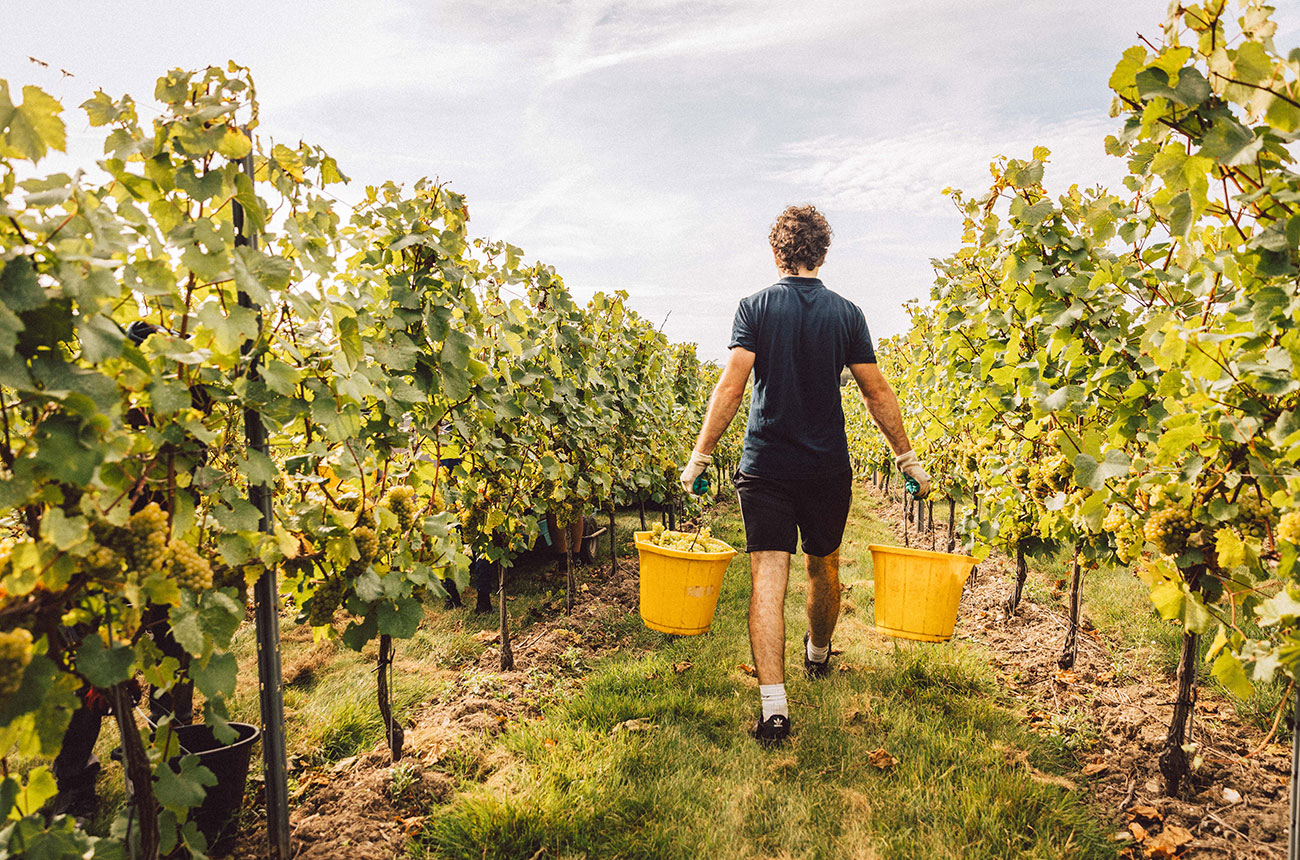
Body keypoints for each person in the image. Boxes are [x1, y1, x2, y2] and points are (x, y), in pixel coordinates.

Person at [679, 204, 931, 747]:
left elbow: (731, 386)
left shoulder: (754, 307)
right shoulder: (847, 313)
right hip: (825, 468)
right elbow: (875, 390)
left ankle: (774, 708)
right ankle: (818, 657)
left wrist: (700, 456)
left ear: (776, 253)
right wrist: (906, 457)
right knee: (825, 568)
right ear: (822, 254)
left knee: (768, 581)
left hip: (765, 465)